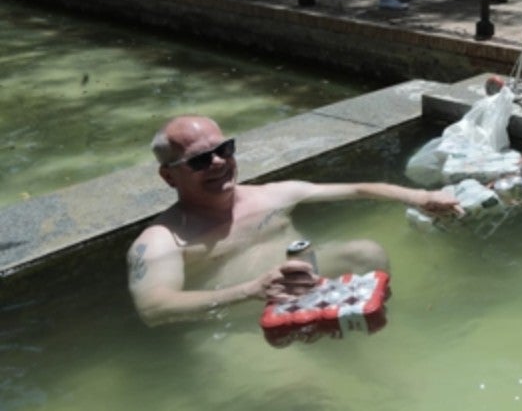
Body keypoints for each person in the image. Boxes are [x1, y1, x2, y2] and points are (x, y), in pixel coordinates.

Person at [126, 115, 459, 326]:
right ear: (168, 177)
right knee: (303, 391)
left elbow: (358, 189)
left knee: (366, 253)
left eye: (224, 149)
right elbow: (154, 308)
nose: (217, 162)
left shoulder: (272, 195)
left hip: (310, 292)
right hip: (242, 321)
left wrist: (421, 197)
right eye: (199, 160)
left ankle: (371, 321)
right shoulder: (163, 239)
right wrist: (250, 291)